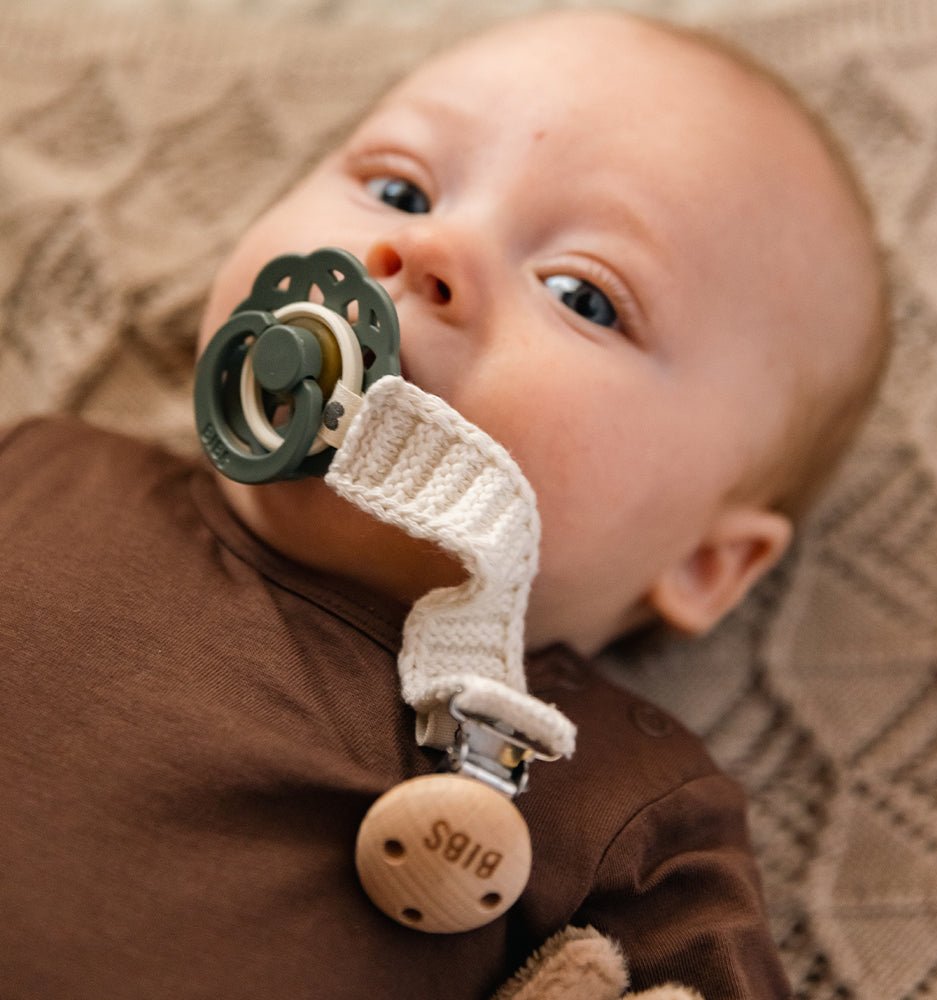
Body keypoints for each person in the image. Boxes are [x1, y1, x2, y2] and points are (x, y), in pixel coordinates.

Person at [0, 9, 887, 1000]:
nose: (429, 247)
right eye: (398, 189)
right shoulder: (39, 471)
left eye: (582, 296)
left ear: (701, 562)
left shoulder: (617, 807)